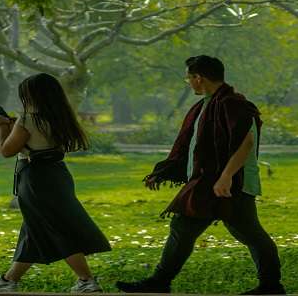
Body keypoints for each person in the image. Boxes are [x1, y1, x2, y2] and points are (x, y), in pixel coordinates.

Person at [116, 56, 285, 295]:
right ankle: (160, 281)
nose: (189, 83)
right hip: (208, 182)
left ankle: (271, 285)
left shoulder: (232, 104)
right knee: (186, 227)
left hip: (231, 184)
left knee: (246, 233)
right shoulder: (205, 105)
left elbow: (245, 144)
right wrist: (163, 172)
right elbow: (191, 146)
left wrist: (226, 176)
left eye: (189, 78)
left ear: (199, 78)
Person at [0, 73, 111, 293]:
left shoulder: (27, 120)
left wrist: (2, 125)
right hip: (57, 174)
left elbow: (6, 151)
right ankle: (8, 280)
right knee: (34, 228)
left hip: (35, 178)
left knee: (53, 228)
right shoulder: (60, 117)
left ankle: (86, 280)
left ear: (31, 96)